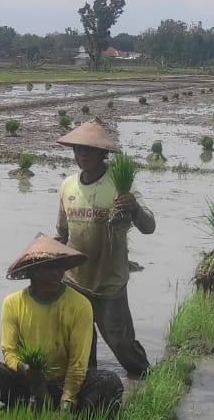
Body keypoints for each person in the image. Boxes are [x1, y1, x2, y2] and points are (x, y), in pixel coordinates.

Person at [0, 234, 124, 415]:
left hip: (62, 382)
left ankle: (68, 412)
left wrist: (67, 401)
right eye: (52, 267)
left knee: (110, 382)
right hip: (26, 382)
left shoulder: (80, 305)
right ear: (34, 271)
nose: (60, 273)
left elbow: (78, 363)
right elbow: (9, 352)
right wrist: (24, 368)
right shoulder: (13, 303)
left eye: (61, 266)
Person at [55, 119, 155, 378]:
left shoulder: (120, 186)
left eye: (88, 149)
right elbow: (62, 235)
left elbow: (149, 227)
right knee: (82, 347)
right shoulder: (68, 186)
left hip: (109, 282)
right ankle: (90, 394)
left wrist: (133, 208)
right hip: (75, 282)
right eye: (78, 149)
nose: (82, 155)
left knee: (122, 344)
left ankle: (146, 380)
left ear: (103, 153)